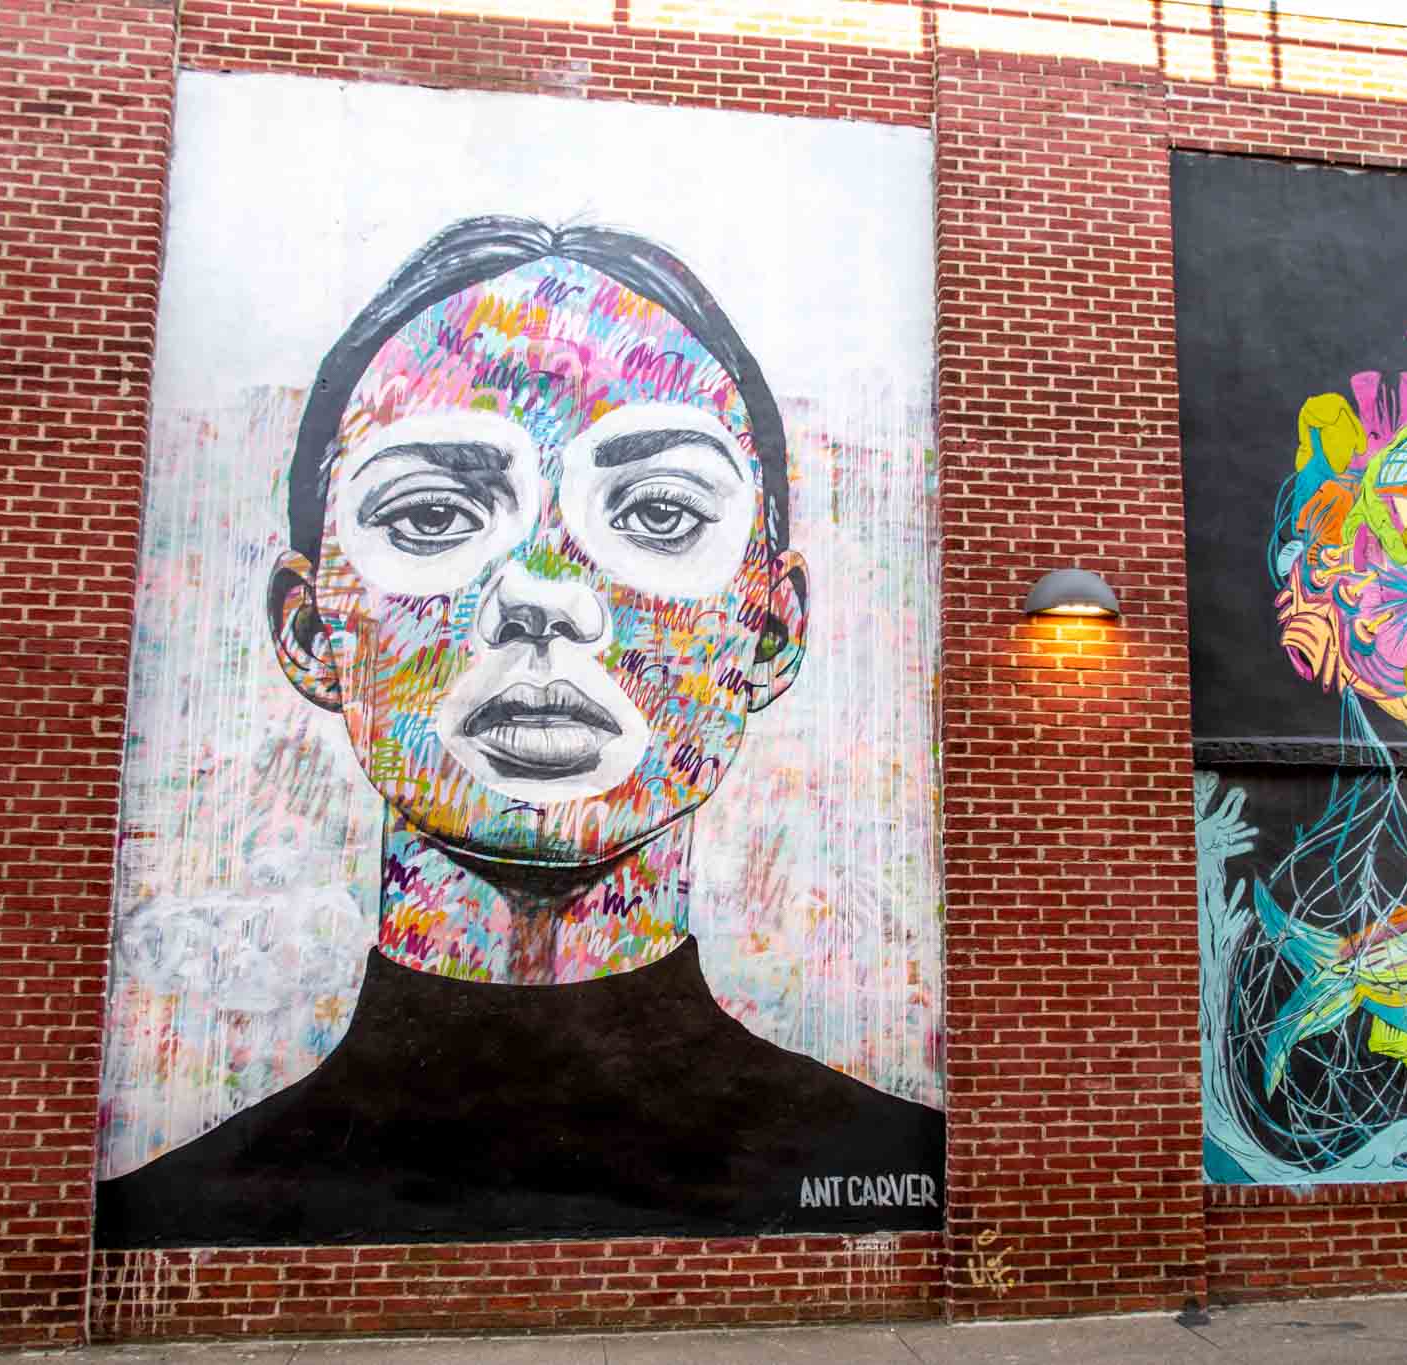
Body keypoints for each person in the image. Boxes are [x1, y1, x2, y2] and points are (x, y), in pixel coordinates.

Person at [95, 217, 944, 1248]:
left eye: (661, 513)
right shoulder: (173, 1211)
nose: (543, 597)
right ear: (313, 629)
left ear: (769, 630)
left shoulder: (895, 1156)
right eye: (431, 516)